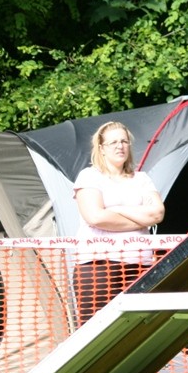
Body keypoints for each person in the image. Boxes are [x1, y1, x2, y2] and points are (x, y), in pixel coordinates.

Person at [72, 121, 165, 326]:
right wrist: (140, 219)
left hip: (139, 265)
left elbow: (157, 214)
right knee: (94, 331)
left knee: (139, 329)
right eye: (113, 142)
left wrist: (116, 210)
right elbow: (95, 217)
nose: (119, 146)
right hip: (97, 266)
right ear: (102, 148)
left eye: (124, 141)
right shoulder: (89, 176)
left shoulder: (141, 178)